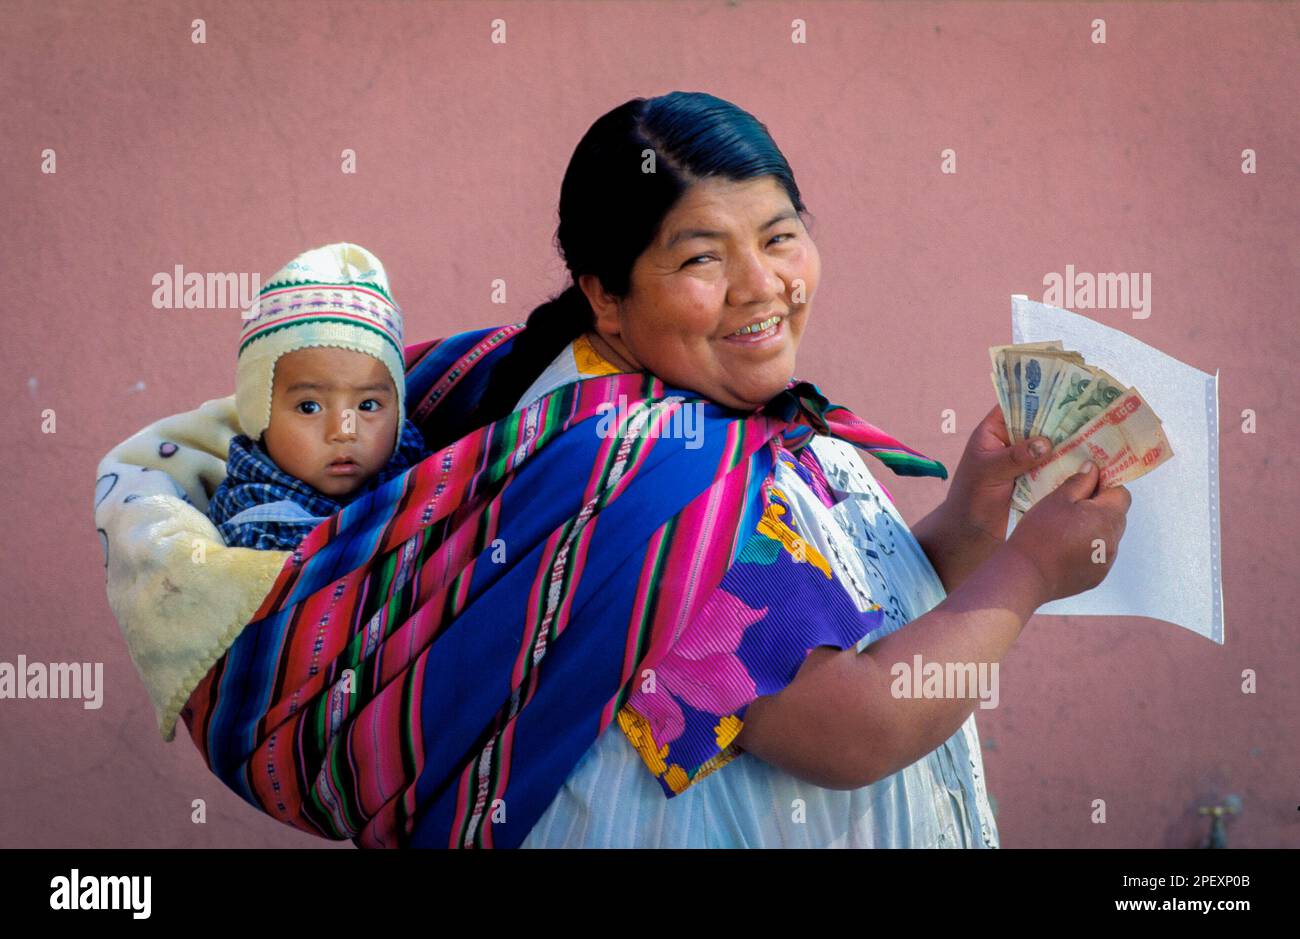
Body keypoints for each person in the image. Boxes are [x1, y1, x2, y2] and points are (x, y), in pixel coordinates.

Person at [175, 91, 1130, 849]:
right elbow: (855, 721)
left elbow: (831, 623)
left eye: (781, 234)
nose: (763, 286)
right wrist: (1030, 573)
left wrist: (972, 515)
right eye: (703, 257)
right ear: (606, 292)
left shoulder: (725, 429)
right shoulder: (640, 486)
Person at [206, 243, 429, 550]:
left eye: (367, 405)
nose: (344, 431)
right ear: (258, 414)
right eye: (309, 407)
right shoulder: (257, 519)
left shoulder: (414, 460)